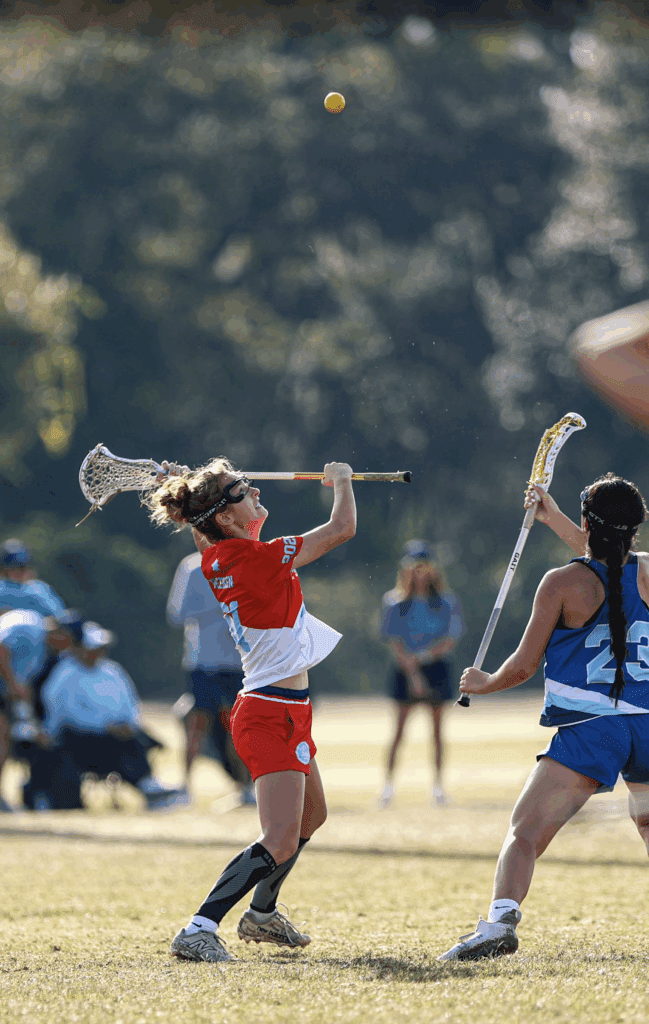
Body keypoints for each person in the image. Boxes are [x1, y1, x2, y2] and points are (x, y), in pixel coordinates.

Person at [146, 457, 355, 963]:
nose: (255, 489)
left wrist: (191, 495)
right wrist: (343, 481)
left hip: (284, 709)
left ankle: (262, 913)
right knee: (279, 839)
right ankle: (198, 928)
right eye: (242, 489)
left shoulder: (220, 555)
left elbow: (207, 536)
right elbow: (341, 529)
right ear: (225, 517)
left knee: (312, 816)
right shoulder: (260, 558)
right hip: (269, 713)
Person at [439, 473, 649, 962]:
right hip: (648, 723)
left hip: (592, 728)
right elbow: (614, 561)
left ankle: (499, 924)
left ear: (587, 524)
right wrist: (554, 518)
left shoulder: (560, 583)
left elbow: (523, 666)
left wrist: (484, 682)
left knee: (525, 833)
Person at [34, 620, 188, 811]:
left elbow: (130, 704)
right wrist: (106, 726)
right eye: (93, 648)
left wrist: (128, 725)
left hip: (116, 737)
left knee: (136, 739)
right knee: (121, 744)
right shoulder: (65, 674)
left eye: (100, 648)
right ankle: (148, 788)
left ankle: (150, 788)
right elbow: (67, 714)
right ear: (79, 647)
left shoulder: (112, 671)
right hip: (80, 742)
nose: (98, 653)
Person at [379, 540, 464, 808]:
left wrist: (424, 658)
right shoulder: (394, 602)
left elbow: (450, 638)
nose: (420, 572)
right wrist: (414, 672)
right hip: (405, 668)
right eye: (415, 566)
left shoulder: (446, 602)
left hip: (436, 667)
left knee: (437, 732)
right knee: (399, 731)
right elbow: (394, 641)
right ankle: (388, 788)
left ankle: (438, 787)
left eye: (424, 566)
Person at [167, 551, 253, 804]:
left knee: (237, 726)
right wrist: (220, 606)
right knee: (196, 724)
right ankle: (185, 788)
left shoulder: (243, 563)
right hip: (202, 663)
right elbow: (176, 614)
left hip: (238, 663)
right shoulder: (192, 566)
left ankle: (244, 789)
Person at [0, 539, 66, 617]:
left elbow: (60, 617)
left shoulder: (39, 589)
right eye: (16, 568)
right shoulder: (2, 590)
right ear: (4, 569)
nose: (22, 571)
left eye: (24, 567)